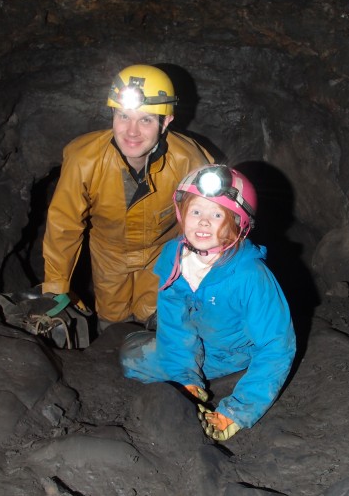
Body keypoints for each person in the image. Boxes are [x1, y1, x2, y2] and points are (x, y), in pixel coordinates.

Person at [120, 164, 296, 441]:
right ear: (182, 214)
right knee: (132, 351)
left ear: (238, 223)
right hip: (196, 348)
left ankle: (219, 383)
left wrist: (237, 411)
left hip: (234, 355)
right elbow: (175, 326)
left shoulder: (250, 276)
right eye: (196, 211)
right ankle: (192, 380)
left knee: (139, 352)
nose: (203, 222)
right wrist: (184, 378)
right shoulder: (173, 257)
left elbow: (276, 345)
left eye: (217, 214)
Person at [39, 64, 214, 335]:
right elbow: (65, 225)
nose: (131, 131)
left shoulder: (190, 161)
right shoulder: (84, 160)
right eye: (123, 116)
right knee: (112, 316)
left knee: (154, 313)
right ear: (112, 114)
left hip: (162, 253)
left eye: (145, 119)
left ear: (165, 121)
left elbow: (211, 223)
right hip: (108, 253)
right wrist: (55, 288)